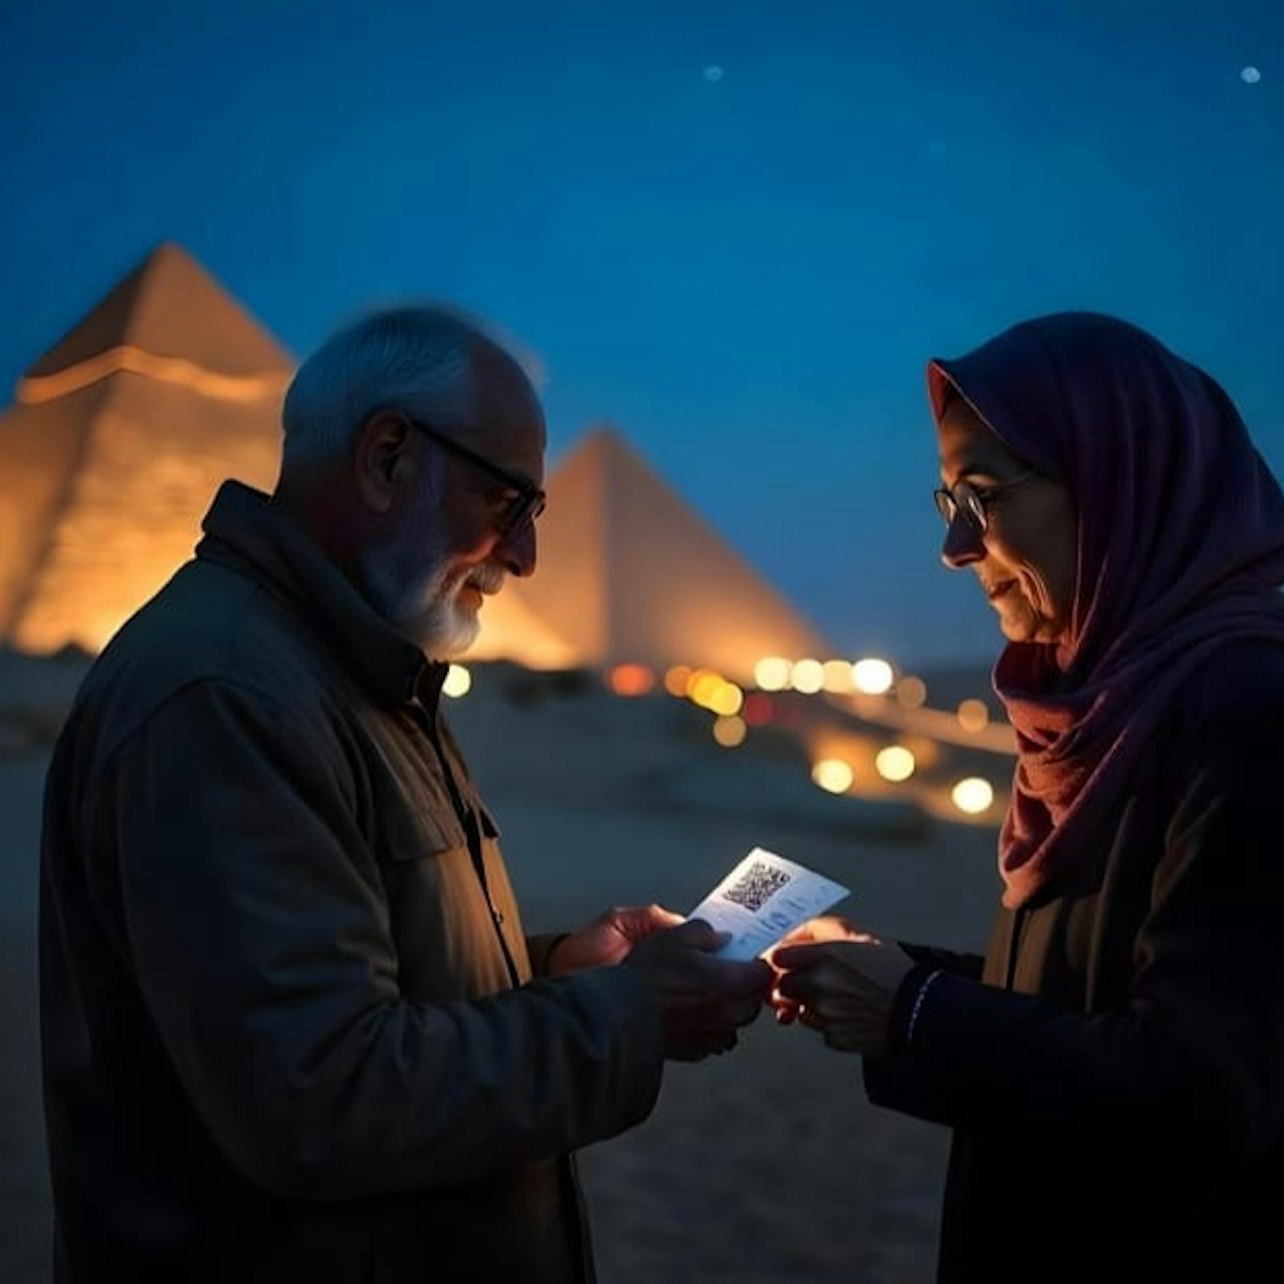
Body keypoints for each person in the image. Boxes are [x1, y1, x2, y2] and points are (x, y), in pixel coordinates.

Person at [38, 304, 770, 1284]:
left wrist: (561, 973)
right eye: (508, 501)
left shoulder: (354, 669)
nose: (526, 557)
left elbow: (357, 976)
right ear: (389, 457)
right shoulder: (225, 695)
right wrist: (631, 1015)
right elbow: (318, 1100)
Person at [771, 312, 1284, 1282]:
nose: (954, 546)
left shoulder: (1248, 717)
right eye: (948, 501)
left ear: (1115, 480)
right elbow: (1101, 987)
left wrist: (915, 1011)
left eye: (983, 495)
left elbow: (1202, 1093)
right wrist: (890, 972)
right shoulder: (1098, 709)